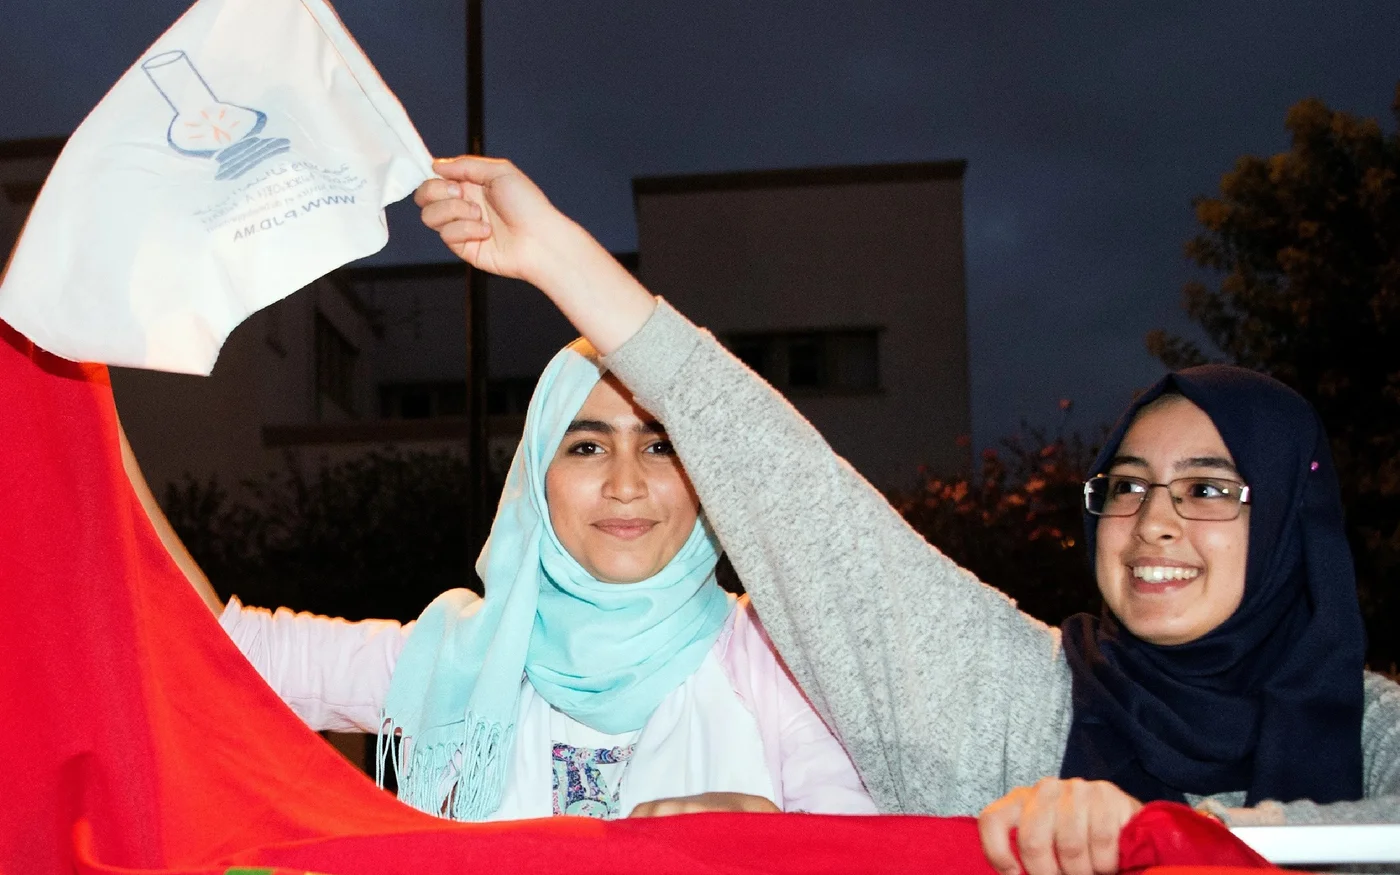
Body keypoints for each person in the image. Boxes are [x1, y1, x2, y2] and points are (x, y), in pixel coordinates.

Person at [413, 154, 1400, 873]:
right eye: (1125, 484)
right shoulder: (1015, 700)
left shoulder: (1376, 731)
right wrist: (559, 258)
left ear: (1288, 521)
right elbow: (800, 500)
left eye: (1208, 486)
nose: (1152, 521)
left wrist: (1177, 831)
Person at [128, 339, 874, 821]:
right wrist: (90, 435)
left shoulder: (776, 659)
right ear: (537, 479)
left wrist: (767, 839)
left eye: (660, 445)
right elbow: (224, 650)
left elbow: (866, 852)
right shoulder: (465, 656)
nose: (625, 484)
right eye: (586, 446)